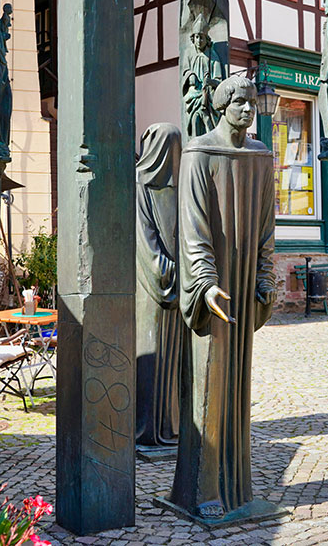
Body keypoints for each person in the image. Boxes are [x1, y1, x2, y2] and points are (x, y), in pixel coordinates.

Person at [170, 75, 276, 522]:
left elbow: (267, 224)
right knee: (210, 381)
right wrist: (205, 281)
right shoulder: (198, 153)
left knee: (238, 381)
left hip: (244, 284)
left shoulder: (260, 156)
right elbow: (192, 227)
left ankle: (237, 488)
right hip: (214, 289)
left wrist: (265, 276)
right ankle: (202, 489)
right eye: (240, 102)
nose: (248, 110)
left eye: (252, 102)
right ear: (221, 106)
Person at [135, 123, 184, 449]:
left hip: (179, 289)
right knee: (153, 360)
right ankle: (147, 430)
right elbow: (145, 243)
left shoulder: (180, 189)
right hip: (151, 291)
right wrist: (168, 273)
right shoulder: (140, 188)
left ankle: (171, 427)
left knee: (174, 363)